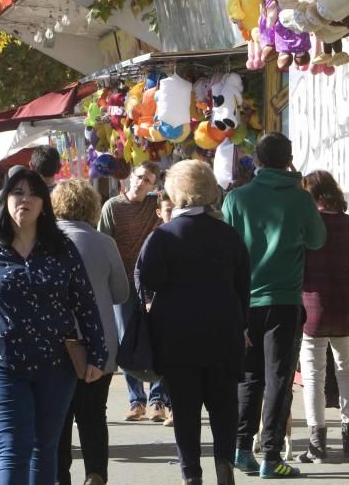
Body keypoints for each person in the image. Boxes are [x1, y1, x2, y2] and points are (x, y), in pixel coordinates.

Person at [0, 169, 107, 485]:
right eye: (17, 192)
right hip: (1, 364)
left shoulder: (63, 250)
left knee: (44, 450)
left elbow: (85, 302)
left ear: (44, 204)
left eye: (33, 193)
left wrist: (98, 354)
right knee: (14, 449)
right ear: (5, 201)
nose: (24, 199)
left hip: (55, 365)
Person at [136, 160, 250, 485]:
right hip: (223, 334)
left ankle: (191, 475)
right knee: (224, 407)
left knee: (185, 412)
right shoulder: (229, 236)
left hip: (177, 338)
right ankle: (225, 466)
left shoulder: (163, 237)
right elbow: (244, 287)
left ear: (176, 192)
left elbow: (147, 281)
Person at [223, 132, 327, 479]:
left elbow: (227, 248)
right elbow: (317, 239)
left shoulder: (236, 199)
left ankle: (240, 448)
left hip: (244, 300)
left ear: (259, 161)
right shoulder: (300, 200)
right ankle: (270, 455)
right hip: (284, 301)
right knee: (279, 377)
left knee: (249, 376)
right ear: (289, 160)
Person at [298, 171, 349, 462]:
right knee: (348, 373)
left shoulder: (305, 227)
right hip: (347, 311)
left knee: (313, 377)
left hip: (312, 312)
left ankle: (317, 445)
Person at [52, 180, 129, 485]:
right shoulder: (104, 242)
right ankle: (95, 474)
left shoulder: (43, 241)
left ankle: (60, 477)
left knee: (58, 418)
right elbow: (121, 293)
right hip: (100, 344)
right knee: (94, 414)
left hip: (56, 343)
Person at [97, 161, 169, 422]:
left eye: (148, 180)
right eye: (139, 176)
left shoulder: (155, 207)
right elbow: (103, 241)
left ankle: (158, 400)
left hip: (152, 282)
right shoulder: (112, 207)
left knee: (157, 338)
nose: (141, 183)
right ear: (130, 177)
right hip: (122, 283)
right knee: (127, 341)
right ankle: (135, 400)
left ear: (154, 186)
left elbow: (174, 206)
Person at [0, 146, 61, 230]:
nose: (26, 199)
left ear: (31, 166)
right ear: (59, 168)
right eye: (18, 193)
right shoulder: (67, 197)